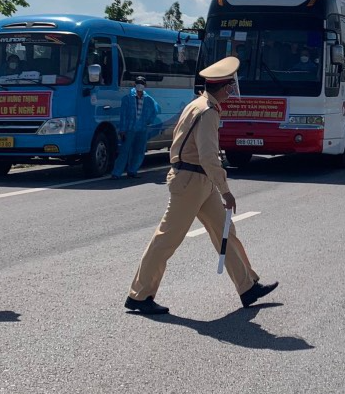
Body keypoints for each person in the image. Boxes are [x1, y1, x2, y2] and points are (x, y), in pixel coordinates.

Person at [124, 56, 278, 315]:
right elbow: (208, 155)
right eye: (230, 87)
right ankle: (139, 295)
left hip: (197, 181)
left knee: (226, 232)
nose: (232, 91)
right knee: (166, 240)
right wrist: (226, 190)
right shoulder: (208, 112)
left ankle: (247, 286)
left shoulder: (198, 104)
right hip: (191, 182)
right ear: (224, 87)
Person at [111, 76, 161, 180]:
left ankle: (132, 171)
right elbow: (123, 115)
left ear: (145, 85)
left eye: (142, 83)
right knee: (124, 151)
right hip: (129, 129)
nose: (140, 85)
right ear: (134, 84)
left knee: (139, 151)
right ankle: (116, 173)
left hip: (142, 129)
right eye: (138, 83)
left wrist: (148, 121)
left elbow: (155, 110)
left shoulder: (149, 99)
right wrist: (122, 129)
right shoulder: (127, 98)